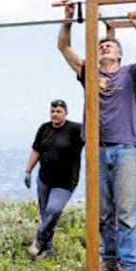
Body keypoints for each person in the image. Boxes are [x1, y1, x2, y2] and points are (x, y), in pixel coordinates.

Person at [57, 3, 136, 271]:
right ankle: (110, 258)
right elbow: (64, 48)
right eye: (101, 45)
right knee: (103, 211)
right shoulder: (88, 73)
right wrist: (68, 21)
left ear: (119, 54)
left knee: (126, 210)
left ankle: (128, 269)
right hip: (96, 149)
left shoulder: (130, 74)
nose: (104, 47)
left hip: (125, 149)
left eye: (109, 45)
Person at [24, 99, 84, 260]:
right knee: (46, 215)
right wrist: (28, 170)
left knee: (54, 210)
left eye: (58, 112)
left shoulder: (75, 129)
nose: (55, 115)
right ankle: (45, 248)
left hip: (65, 182)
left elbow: (91, 136)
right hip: (44, 179)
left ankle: (39, 239)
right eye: (53, 111)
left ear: (66, 113)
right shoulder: (44, 129)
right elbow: (36, 150)